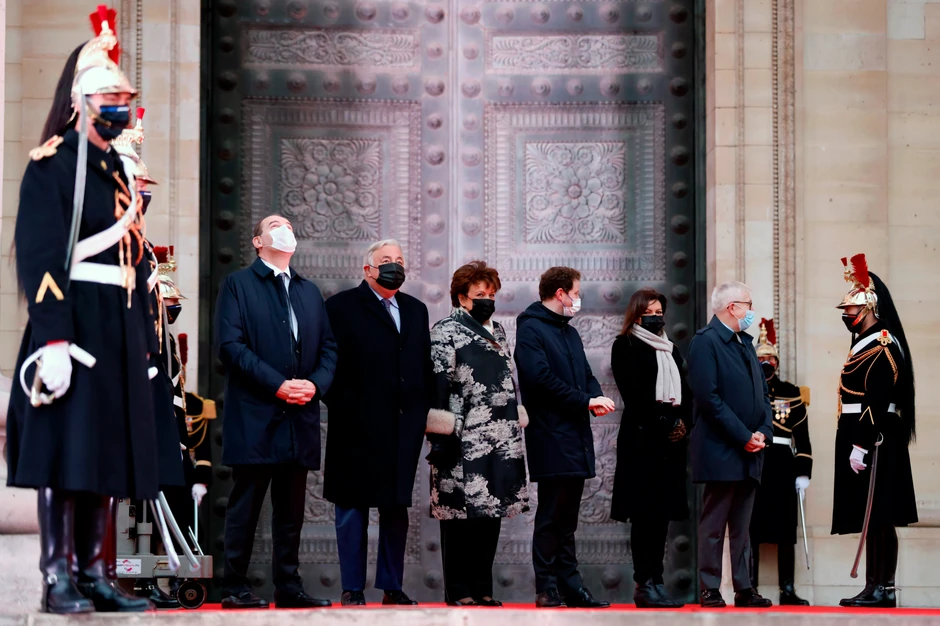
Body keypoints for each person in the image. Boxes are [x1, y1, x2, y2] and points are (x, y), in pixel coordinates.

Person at [5, 6, 158, 613]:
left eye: (125, 95)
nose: (120, 104)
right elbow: (40, 258)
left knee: (109, 453)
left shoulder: (119, 171)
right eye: (110, 95)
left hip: (117, 323)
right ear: (82, 102)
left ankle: (97, 573)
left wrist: (145, 341)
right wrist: (53, 339)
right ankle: (58, 576)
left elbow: (136, 259)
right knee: (65, 453)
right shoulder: (53, 165)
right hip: (74, 323)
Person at [215, 215, 338, 609]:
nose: (283, 228)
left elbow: (329, 349)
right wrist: (278, 384)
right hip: (256, 415)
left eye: (287, 225)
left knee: (291, 511)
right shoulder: (238, 285)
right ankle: (233, 584)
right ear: (257, 240)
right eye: (273, 224)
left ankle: (289, 585)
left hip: (299, 417)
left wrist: (315, 384)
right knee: (245, 506)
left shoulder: (308, 291)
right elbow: (232, 346)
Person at [323, 239, 432, 606]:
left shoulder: (416, 310)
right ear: (368, 269)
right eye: (386, 260)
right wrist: (343, 405)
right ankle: (352, 587)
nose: (394, 265)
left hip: (402, 427)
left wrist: (421, 414)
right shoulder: (340, 307)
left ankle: (392, 585)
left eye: (400, 260)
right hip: (355, 425)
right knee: (352, 508)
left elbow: (421, 367)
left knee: (394, 507)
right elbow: (327, 363)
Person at [425, 261, 530, 606]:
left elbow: (508, 380)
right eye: (479, 295)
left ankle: (482, 589)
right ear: (461, 298)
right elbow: (438, 384)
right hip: (461, 434)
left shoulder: (499, 331)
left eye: (491, 294)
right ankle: (458, 591)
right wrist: (440, 435)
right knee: (459, 514)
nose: (487, 300)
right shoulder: (445, 330)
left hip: (500, 435)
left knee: (491, 510)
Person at [514, 266, 615, 609]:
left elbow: (584, 373)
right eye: (576, 291)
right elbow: (539, 379)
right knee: (551, 514)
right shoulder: (531, 329)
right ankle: (547, 587)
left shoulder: (567, 331)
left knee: (567, 517)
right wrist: (585, 400)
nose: (578, 298)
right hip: (550, 434)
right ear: (560, 293)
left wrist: (596, 396)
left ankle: (571, 587)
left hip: (574, 433)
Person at [832, 254, 917, 608]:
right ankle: (875, 586)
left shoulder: (881, 344)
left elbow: (876, 399)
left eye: (851, 311)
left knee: (880, 514)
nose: (846, 316)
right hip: (868, 434)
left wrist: (861, 445)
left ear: (868, 309)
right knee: (875, 515)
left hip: (875, 436)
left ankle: (881, 588)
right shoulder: (866, 344)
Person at [687, 281, 773, 609]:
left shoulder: (744, 342)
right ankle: (710, 587)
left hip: (751, 448)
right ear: (732, 307)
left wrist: (762, 431)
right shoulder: (705, 342)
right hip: (721, 447)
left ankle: (744, 587)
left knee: (742, 526)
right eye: (748, 304)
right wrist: (743, 435)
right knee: (714, 523)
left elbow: (762, 395)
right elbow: (708, 398)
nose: (751, 310)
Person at [609, 288, 690, 609]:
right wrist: (665, 422)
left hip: (670, 447)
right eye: (650, 311)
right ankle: (644, 584)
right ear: (637, 313)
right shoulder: (625, 345)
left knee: (661, 519)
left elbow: (686, 390)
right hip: (642, 443)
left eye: (660, 310)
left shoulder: (671, 349)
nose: (657, 316)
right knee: (644, 517)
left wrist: (683, 423)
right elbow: (635, 393)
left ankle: (657, 581)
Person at [749, 319, 812, 606]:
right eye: (761, 358)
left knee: (786, 530)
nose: (766, 363)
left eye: (770, 358)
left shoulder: (792, 393)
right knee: (752, 528)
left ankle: (787, 589)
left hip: (783, 465)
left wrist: (803, 472)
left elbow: (803, 438)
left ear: (777, 361)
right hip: (756, 462)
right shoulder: (747, 390)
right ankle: (749, 588)